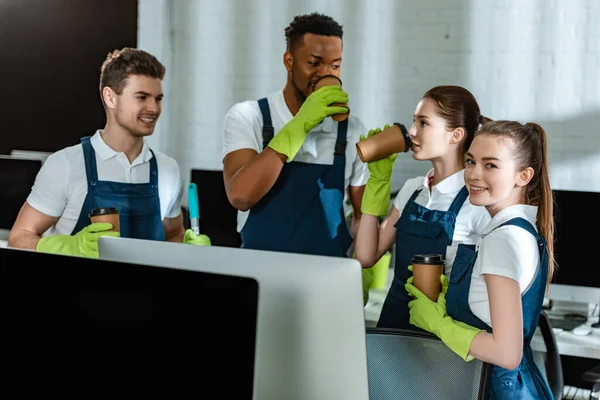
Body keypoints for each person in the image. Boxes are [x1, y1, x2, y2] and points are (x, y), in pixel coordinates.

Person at [8, 47, 210, 258]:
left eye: (158, 99)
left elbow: (173, 234)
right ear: (110, 97)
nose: (154, 108)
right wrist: (67, 247)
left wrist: (189, 250)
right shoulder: (66, 164)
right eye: (142, 97)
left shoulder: (168, 169)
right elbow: (19, 237)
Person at [405, 120, 555, 399]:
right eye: (471, 161)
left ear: (523, 176)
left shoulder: (503, 239)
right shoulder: (518, 231)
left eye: (491, 165)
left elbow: (507, 353)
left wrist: (438, 324)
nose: (474, 174)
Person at [222, 12, 369, 257]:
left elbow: (363, 217)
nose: (325, 74)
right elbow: (240, 196)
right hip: (260, 270)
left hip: (326, 274)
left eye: (334, 65)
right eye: (314, 63)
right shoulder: (249, 117)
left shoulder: (352, 130)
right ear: (289, 61)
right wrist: (299, 125)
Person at [355, 85, 491, 329]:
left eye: (423, 123)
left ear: (456, 135)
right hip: (393, 325)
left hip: (439, 334)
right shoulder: (412, 189)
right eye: (413, 121)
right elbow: (366, 256)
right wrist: (377, 182)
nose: (411, 132)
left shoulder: (477, 202)